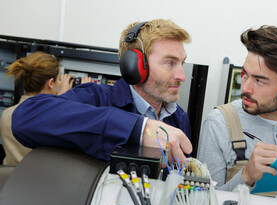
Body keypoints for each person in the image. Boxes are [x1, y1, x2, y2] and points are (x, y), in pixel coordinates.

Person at [11, 19, 192, 164]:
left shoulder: (179, 118)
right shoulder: (96, 98)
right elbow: (25, 116)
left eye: (181, 63)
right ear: (135, 66)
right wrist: (138, 129)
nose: (182, 76)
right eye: (170, 63)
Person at [198, 25, 277, 199]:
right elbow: (203, 203)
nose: (245, 88)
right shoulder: (219, 122)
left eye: (259, 81)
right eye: (244, 74)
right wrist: (246, 176)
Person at [0, 51, 92, 166]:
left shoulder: (6, 114)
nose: (60, 82)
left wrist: (61, 98)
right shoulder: (50, 118)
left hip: (10, 180)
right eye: (59, 79)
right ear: (51, 83)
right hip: (41, 180)